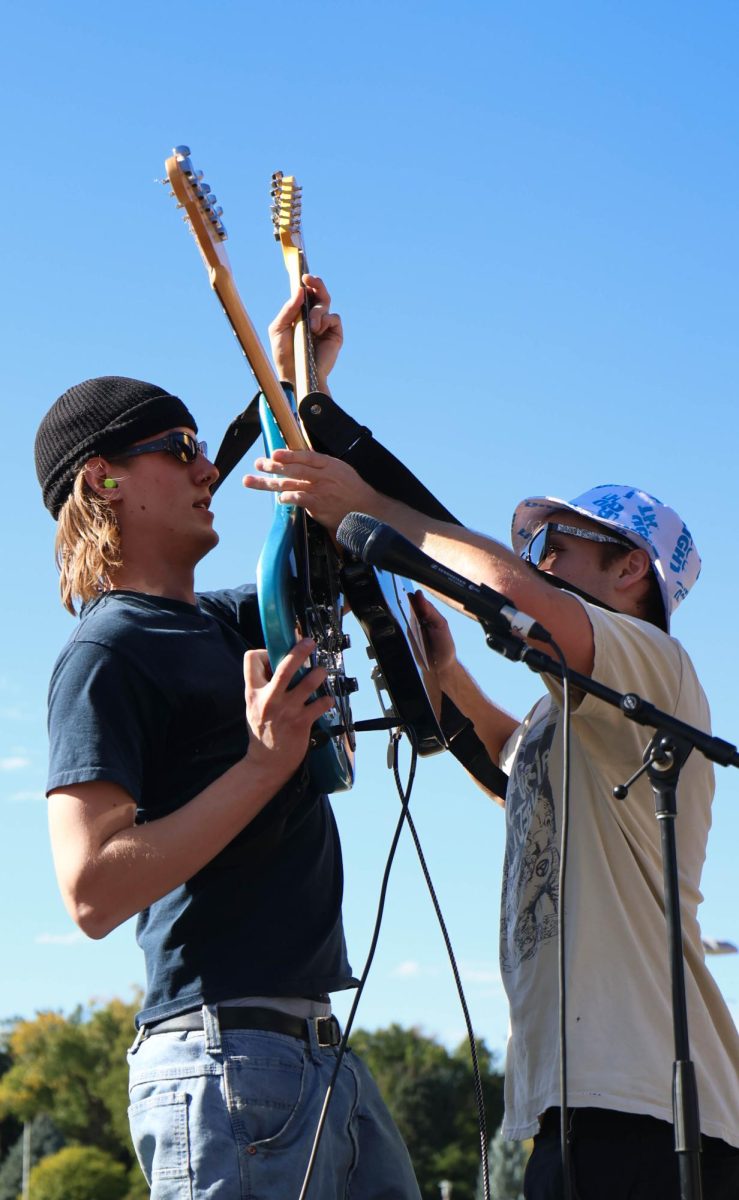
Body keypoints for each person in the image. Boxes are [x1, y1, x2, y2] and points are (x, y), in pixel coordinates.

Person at [242, 287, 739, 1199]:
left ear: (631, 569)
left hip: (654, 1111)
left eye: (559, 541)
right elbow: (523, 772)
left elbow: (522, 600)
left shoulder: (651, 661)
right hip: (591, 1104)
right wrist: (451, 681)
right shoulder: (579, 710)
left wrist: (375, 510)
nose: (540, 554)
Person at [34, 279, 422, 1200]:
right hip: (219, 1064)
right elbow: (89, 891)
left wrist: (299, 387)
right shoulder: (106, 648)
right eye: (180, 451)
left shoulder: (240, 619)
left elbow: (312, 548)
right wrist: (262, 767)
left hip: (321, 1056)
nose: (209, 469)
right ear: (104, 479)